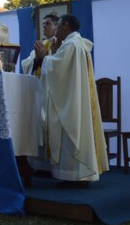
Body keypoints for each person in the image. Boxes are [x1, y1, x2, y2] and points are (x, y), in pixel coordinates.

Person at [40, 14, 109, 187]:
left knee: (69, 131)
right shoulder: (78, 44)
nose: (56, 31)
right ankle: (77, 176)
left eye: (58, 26)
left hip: (71, 99)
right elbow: (63, 67)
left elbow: (57, 68)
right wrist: (53, 54)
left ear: (66, 26)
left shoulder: (71, 44)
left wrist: (44, 57)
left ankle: (73, 177)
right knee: (74, 132)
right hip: (75, 96)